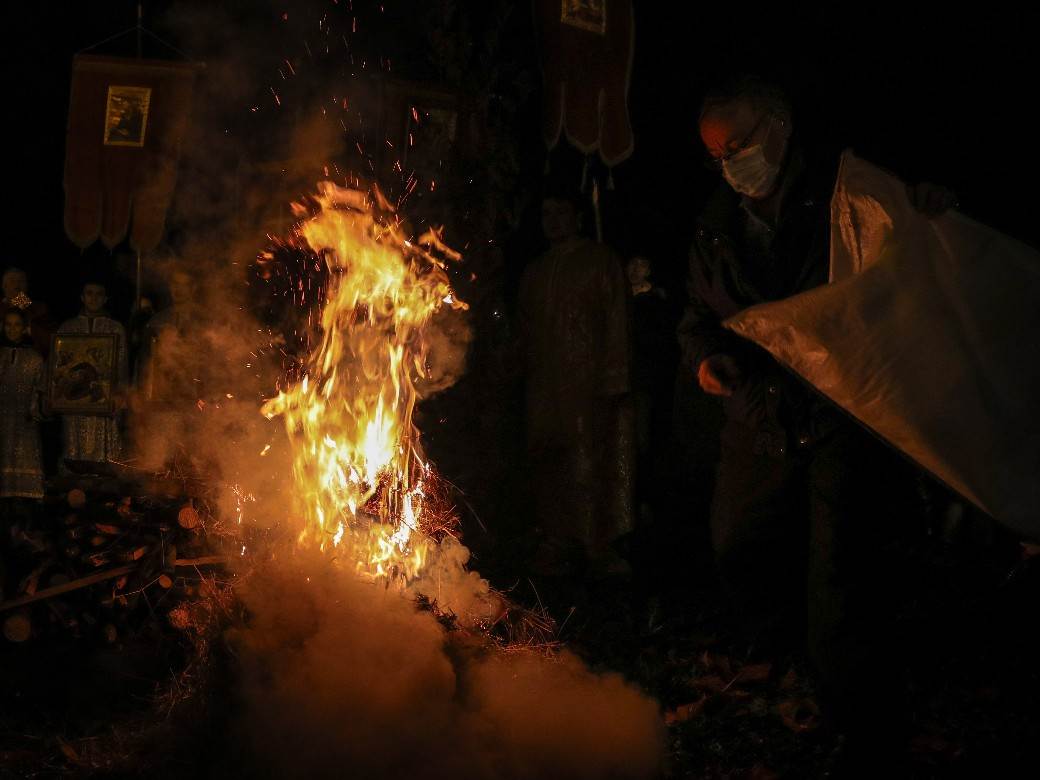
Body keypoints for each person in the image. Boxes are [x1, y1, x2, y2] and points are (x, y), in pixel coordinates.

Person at [678, 75, 954, 768]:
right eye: (717, 154)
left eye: (739, 144)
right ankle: (783, 668)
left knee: (840, 577)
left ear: (780, 124)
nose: (731, 162)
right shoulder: (717, 222)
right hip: (757, 417)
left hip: (839, 414)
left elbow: (909, 256)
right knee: (739, 543)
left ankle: (865, 727)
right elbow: (697, 321)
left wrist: (930, 216)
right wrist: (710, 362)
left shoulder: (847, 199)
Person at [517, 184, 634, 579]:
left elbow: (618, 321)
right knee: (548, 459)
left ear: (579, 217)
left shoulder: (601, 261)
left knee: (591, 460)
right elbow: (524, 330)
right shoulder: (535, 272)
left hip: (587, 380)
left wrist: (615, 375)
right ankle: (557, 539)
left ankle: (597, 544)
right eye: (547, 215)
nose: (554, 222)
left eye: (561, 213)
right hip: (544, 384)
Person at [56, 280, 128, 469]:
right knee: (73, 450)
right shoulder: (67, 328)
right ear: (82, 297)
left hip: (104, 401)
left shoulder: (115, 328)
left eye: (98, 294)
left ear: (105, 299)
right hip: (74, 403)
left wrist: (119, 395)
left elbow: (121, 365)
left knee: (105, 457)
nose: (93, 298)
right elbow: (58, 366)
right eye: (89, 293)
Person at [0, 308, 45, 507]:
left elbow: (39, 388)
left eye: (17, 324)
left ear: (25, 327)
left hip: (25, 421)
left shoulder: (35, 358)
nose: (12, 329)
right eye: (8, 324)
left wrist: (34, 410)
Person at [2, 266, 53, 357]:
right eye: (12, 280)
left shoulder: (39, 308)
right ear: (4, 286)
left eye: (21, 281)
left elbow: (49, 340)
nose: (17, 284)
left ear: (26, 285)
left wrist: (23, 304)